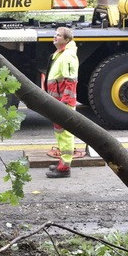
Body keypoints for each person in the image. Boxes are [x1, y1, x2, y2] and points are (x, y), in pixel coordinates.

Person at [44, 27, 79, 178]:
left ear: (66, 40)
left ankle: (64, 168)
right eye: (55, 34)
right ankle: (62, 163)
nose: (55, 37)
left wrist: (65, 103)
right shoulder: (60, 54)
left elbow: (70, 82)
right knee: (60, 132)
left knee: (65, 133)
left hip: (63, 103)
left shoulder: (68, 56)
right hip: (58, 101)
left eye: (59, 35)